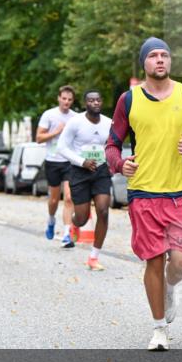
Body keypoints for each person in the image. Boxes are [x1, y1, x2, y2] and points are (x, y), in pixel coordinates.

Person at [106, 37, 182, 351]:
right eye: (153, 56)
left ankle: (169, 287)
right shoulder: (129, 100)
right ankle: (159, 328)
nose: (160, 60)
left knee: (181, 260)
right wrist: (119, 163)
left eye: (165, 55)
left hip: (179, 193)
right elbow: (111, 144)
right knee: (153, 260)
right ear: (144, 63)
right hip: (143, 192)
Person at [59, 90, 113, 271]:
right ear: (85, 104)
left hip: (101, 171)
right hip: (79, 172)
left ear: (101, 102)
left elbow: (113, 146)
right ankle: (74, 225)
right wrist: (82, 162)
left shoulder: (109, 123)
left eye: (98, 100)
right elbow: (62, 147)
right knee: (82, 219)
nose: (95, 103)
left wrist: (113, 161)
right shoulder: (76, 122)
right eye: (91, 100)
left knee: (103, 211)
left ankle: (93, 257)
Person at [37, 85, 78, 247]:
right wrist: (57, 131)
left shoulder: (76, 117)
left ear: (72, 101)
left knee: (69, 197)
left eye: (69, 99)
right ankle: (51, 219)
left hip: (69, 161)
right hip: (53, 161)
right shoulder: (49, 115)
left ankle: (67, 233)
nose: (66, 102)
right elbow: (38, 138)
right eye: (64, 98)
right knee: (54, 199)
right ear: (59, 98)